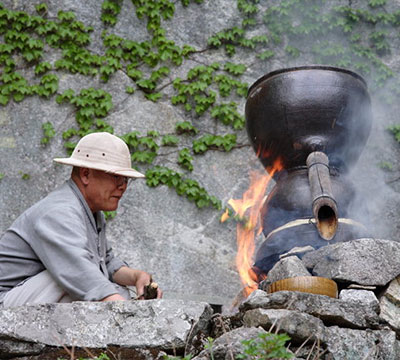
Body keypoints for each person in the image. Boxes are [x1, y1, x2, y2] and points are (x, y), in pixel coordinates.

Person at [0, 132, 162, 308]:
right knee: (83, 283)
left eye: (126, 179)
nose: (122, 185)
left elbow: (104, 262)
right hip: (6, 306)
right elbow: (79, 273)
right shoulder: (59, 211)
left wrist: (137, 277)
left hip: (27, 298)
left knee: (113, 289)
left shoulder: (90, 210)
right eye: (116, 176)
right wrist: (133, 317)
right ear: (85, 174)